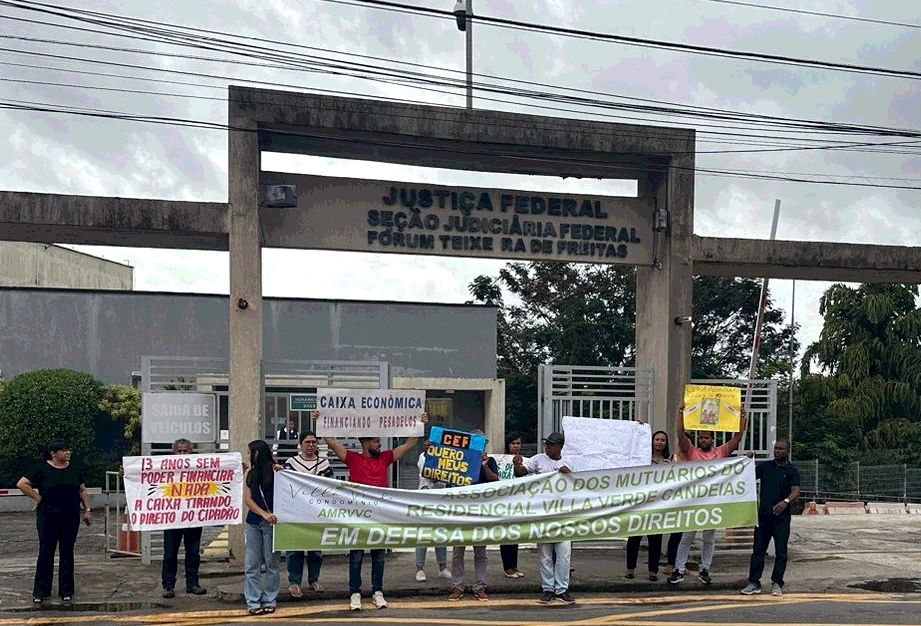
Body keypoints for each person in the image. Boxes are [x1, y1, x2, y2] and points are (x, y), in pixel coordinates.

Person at [314, 409, 428, 611]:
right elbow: (331, 442)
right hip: (358, 515)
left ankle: (378, 591)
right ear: (365, 444)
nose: (379, 444)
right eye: (376, 441)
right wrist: (319, 421)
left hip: (379, 515)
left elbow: (410, 444)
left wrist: (421, 424)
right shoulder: (352, 458)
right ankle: (355, 593)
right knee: (356, 556)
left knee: (379, 556)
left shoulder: (385, 458)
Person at [668, 403, 748, 586]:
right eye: (701, 438)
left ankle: (705, 569)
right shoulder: (692, 452)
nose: (703, 440)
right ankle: (679, 569)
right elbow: (680, 435)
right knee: (687, 536)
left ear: (712, 440)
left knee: (708, 538)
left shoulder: (721, 452)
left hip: (712, 502)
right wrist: (680, 414)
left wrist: (743, 417)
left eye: (707, 438)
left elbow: (737, 437)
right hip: (694, 501)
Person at [17, 440, 92, 606]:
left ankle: (66, 591)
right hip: (48, 517)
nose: (67, 453)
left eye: (68, 450)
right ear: (53, 453)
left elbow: (82, 489)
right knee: (46, 552)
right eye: (64, 451)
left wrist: (87, 509)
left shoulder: (74, 468)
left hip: (70, 516)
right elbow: (22, 484)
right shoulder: (41, 468)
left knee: (67, 552)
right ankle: (41, 591)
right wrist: (38, 498)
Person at [514, 432, 575, 605]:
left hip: (563, 516)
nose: (547, 447)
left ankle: (562, 588)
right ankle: (548, 588)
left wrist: (569, 474)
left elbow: (579, 485)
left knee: (564, 555)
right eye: (546, 444)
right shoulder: (538, 459)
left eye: (551, 445)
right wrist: (517, 465)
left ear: (560, 447)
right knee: (545, 555)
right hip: (544, 515)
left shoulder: (569, 462)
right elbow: (520, 473)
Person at [741, 439, 800, 597]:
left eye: (781, 449)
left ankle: (777, 583)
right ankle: (754, 582)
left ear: (787, 451)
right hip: (763, 517)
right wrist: (747, 461)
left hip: (781, 518)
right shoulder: (765, 467)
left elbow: (795, 491)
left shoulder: (792, 470)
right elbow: (747, 476)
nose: (777, 451)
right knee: (758, 551)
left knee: (781, 552)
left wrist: (785, 502)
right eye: (776, 448)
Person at [449, 431, 499, 602]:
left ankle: (480, 586)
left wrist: (484, 465)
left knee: (481, 552)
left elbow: (496, 481)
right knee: (458, 552)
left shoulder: (490, 461)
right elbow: (450, 482)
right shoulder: (458, 458)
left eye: (483, 443)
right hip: (461, 511)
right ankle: (457, 586)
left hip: (480, 512)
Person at [284, 431, 334, 599]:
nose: (311, 445)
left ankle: (314, 579)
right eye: (307, 442)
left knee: (315, 549)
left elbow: (331, 486)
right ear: (301, 444)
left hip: (316, 513)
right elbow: (284, 484)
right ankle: (294, 582)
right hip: (296, 512)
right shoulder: (291, 463)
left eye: (314, 442)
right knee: (294, 549)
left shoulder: (324, 464)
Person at [625, 430, 680, 582]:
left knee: (655, 538)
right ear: (652, 441)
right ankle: (630, 568)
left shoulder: (669, 462)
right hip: (640, 503)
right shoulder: (642, 459)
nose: (659, 442)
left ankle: (653, 571)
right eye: (657, 439)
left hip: (658, 505)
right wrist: (638, 428)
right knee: (634, 537)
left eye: (663, 440)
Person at [161, 438, 206, 598]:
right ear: (173, 452)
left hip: (193, 517)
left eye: (185, 451)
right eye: (179, 451)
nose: (181, 454)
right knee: (169, 554)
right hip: (172, 518)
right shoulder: (165, 468)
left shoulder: (200, 468)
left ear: (191, 452)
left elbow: (220, 476)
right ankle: (168, 585)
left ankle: (192, 583)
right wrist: (128, 473)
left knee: (193, 552)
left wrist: (236, 469)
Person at [243, 440, 280, 616]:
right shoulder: (251, 473)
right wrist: (263, 513)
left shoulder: (277, 471)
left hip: (272, 522)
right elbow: (248, 500)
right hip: (254, 522)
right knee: (252, 563)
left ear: (256, 454)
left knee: (271, 562)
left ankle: (269, 599)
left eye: (250, 452)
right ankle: (253, 601)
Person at [414, 440, 451, 582]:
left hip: (441, 497)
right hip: (425, 496)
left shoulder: (448, 458)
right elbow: (429, 474)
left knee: (440, 533)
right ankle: (420, 568)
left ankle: (442, 567)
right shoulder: (423, 456)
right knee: (423, 533)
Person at [498, 432, 525, 579]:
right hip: (504, 502)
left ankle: (514, 565)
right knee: (506, 535)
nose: (516, 446)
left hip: (518, 502)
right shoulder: (501, 460)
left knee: (515, 535)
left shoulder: (525, 461)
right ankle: (507, 567)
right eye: (513, 443)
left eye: (518, 443)